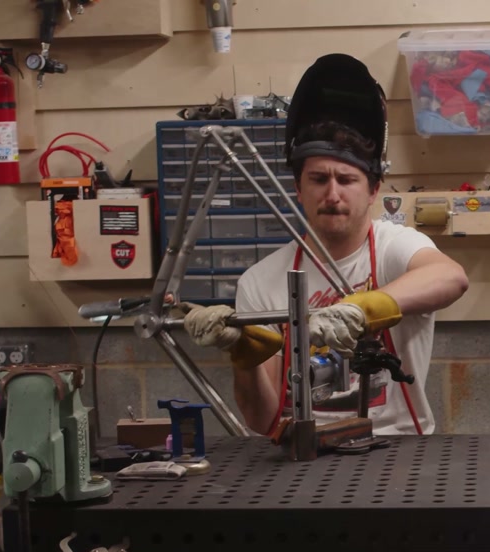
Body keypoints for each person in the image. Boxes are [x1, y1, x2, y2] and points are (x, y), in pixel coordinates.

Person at [181, 59, 469, 436]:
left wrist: (361, 309)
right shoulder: (261, 281)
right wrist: (244, 356)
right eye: (318, 179)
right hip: (302, 452)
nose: (332, 194)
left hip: (395, 446)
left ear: (373, 191)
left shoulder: (395, 249)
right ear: (299, 189)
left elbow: (451, 277)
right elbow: (262, 421)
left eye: (346, 179)